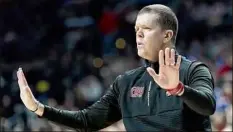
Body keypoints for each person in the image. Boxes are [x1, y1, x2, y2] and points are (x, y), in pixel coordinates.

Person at [17, 4, 216, 131]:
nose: (138, 35)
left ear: (167, 36)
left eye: (145, 29)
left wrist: (178, 89)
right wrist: (38, 108)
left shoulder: (194, 71)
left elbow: (208, 105)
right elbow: (87, 121)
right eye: (136, 30)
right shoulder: (125, 82)